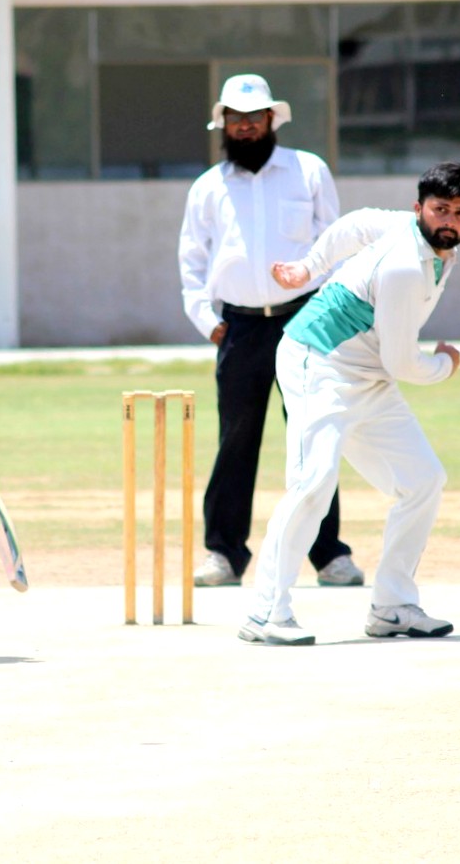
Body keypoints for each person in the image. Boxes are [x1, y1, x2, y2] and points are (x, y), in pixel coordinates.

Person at [239, 161, 460, 646]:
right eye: (440, 210)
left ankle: (392, 606)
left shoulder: (418, 236)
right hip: (318, 361)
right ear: (419, 208)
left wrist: (307, 267)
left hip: (369, 375)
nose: (450, 221)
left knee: (422, 481)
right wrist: (445, 364)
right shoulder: (403, 265)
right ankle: (266, 612)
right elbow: (403, 363)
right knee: (313, 482)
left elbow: (353, 225)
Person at [178, 73, 363, 589]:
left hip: (304, 321)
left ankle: (329, 555)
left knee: (313, 438)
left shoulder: (308, 170)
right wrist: (208, 322)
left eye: (253, 118)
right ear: (223, 124)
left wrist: (328, 311)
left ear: (271, 119)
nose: (245, 127)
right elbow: (191, 259)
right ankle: (224, 554)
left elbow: (335, 243)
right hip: (237, 326)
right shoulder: (208, 187)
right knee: (235, 440)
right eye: (235, 119)